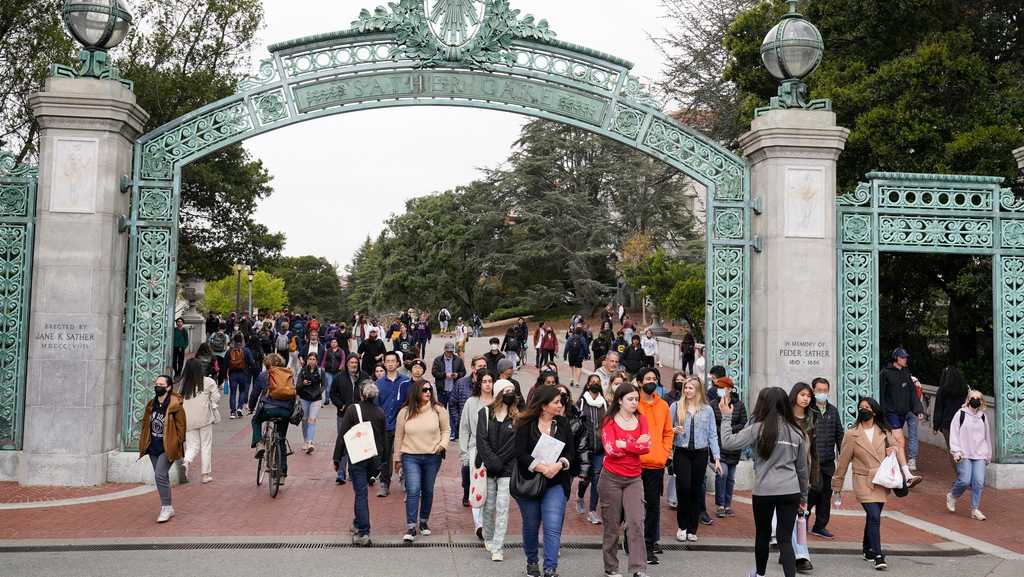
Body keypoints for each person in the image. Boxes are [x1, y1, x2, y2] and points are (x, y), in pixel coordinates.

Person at [719, 387, 807, 577]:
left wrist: (726, 417)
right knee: (785, 539)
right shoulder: (796, 432)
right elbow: (802, 470)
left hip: (764, 491)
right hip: (790, 490)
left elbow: (728, 442)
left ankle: (760, 574)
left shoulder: (757, 429)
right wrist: (803, 496)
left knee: (763, 535)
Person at [833, 397, 920, 571]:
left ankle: (867, 549)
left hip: (881, 480)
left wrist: (893, 452)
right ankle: (878, 555)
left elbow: (896, 449)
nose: (863, 409)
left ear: (874, 411)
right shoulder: (852, 434)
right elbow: (843, 461)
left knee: (873, 516)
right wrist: (837, 487)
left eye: (867, 407)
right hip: (863, 480)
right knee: (874, 516)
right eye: (860, 407)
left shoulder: (884, 432)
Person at [513, 385, 575, 577]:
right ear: (543, 405)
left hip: (556, 482)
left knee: (553, 526)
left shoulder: (563, 424)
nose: (560, 405)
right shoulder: (525, 424)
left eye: (561, 401)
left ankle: (550, 568)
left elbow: (571, 453)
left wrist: (558, 466)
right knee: (531, 526)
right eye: (556, 402)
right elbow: (520, 453)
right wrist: (541, 467)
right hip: (530, 482)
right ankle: (532, 562)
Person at [599, 382, 653, 577]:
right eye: (630, 399)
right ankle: (611, 568)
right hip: (611, 477)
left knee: (636, 522)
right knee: (612, 525)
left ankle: (638, 568)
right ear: (620, 400)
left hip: (634, 478)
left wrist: (625, 443)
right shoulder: (609, 421)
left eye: (636, 399)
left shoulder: (642, 419)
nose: (634, 402)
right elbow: (611, 449)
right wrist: (634, 444)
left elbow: (647, 447)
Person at [393, 379, 450, 542]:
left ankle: (424, 521)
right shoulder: (405, 412)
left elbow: (446, 430)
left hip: (433, 456)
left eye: (430, 390)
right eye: (424, 390)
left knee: (428, 489)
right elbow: (398, 437)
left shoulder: (438, 410)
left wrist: (442, 445)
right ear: (417, 391)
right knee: (413, 489)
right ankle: (411, 526)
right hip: (410, 455)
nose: (427, 393)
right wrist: (396, 458)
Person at [670, 376, 721, 543]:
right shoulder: (676, 406)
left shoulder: (707, 410)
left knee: (696, 490)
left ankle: (692, 528)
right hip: (682, 452)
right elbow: (666, 430)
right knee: (683, 489)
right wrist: (673, 430)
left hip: (701, 453)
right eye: (686, 387)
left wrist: (717, 458)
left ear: (698, 390)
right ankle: (682, 526)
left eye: (691, 388)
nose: (687, 391)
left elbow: (713, 434)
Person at [337, 382, 385, 545]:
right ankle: (358, 523)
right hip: (374, 458)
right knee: (362, 492)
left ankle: (363, 531)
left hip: (357, 456)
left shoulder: (352, 409)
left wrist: (337, 458)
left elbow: (342, 434)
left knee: (361, 494)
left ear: (362, 394)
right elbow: (384, 439)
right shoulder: (379, 412)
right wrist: (383, 461)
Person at [478, 379, 519, 562]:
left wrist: (500, 462)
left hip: (507, 469)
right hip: (489, 467)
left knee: (503, 507)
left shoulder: (517, 417)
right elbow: (481, 440)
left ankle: (498, 546)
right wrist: (492, 461)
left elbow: (514, 444)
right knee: (489, 506)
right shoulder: (485, 413)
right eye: (507, 390)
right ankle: (488, 535)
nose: (510, 393)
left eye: (513, 390)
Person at [634, 367, 672, 563]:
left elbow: (668, 432)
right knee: (633, 507)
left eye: (654, 378)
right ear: (639, 382)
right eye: (647, 378)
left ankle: (648, 545)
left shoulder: (664, 405)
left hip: (656, 465)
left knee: (653, 507)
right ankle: (631, 540)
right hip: (634, 464)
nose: (652, 381)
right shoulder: (633, 404)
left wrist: (664, 453)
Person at [138, 374, 185, 523]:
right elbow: (146, 423)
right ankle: (168, 507)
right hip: (153, 446)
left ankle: (166, 507)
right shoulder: (152, 404)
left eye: (161, 384)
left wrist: (176, 443)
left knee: (159, 475)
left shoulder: (175, 405)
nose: (157, 386)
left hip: (167, 446)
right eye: (156, 383)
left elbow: (181, 428)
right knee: (162, 477)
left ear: (169, 387)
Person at [250, 353, 297, 483]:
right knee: (281, 439)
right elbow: (293, 393)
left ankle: (259, 444)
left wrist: (250, 406)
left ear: (267, 364)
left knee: (255, 420)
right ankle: (282, 474)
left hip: (268, 409)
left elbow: (254, 394)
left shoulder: (263, 375)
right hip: (285, 411)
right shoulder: (288, 374)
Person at [946, 389, 992, 521]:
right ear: (968, 400)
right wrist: (956, 451)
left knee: (978, 481)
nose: (975, 400)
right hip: (964, 453)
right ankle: (952, 496)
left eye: (978, 398)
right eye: (973, 398)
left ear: (981, 401)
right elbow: (954, 433)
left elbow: (986, 436)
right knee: (965, 480)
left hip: (980, 454)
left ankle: (975, 509)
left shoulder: (983, 416)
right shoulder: (960, 414)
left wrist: (988, 454)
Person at [788, 382, 819, 572]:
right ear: (795, 395)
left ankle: (793, 551)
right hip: (785, 471)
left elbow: (814, 450)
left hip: (803, 472)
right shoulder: (785, 417)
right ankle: (800, 555)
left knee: (800, 514)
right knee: (790, 514)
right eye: (802, 394)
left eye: (808, 395)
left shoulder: (812, 419)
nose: (805, 398)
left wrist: (814, 474)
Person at [807, 377, 843, 539]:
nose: (822, 393)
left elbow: (839, 434)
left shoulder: (833, 411)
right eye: (819, 390)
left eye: (825, 390)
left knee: (826, 494)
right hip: (811, 461)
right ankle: (803, 517)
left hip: (828, 460)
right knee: (814, 491)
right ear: (813, 391)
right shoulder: (808, 410)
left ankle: (820, 525)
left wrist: (843, 455)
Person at [461, 369, 495, 535]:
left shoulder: (498, 402)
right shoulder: (471, 402)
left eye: (490, 381)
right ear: (479, 383)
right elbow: (464, 429)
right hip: (476, 450)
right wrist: (464, 453)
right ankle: (479, 525)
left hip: (496, 451)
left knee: (492, 488)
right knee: (477, 487)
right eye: (485, 381)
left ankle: (488, 522)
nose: (488, 384)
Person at [879, 348, 924, 470]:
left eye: (905, 357)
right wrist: (882, 411)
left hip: (903, 412)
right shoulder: (885, 373)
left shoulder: (906, 373)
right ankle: (903, 469)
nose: (905, 359)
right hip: (891, 412)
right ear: (896, 358)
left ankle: (890, 464)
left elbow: (912, 393)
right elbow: (881, 393)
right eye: (903, 357)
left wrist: (918, 409)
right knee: (900, 440)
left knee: (894, 441)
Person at [709, 376, 747, 518]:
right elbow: (712, 424)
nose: (720, 391)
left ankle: (728, 504)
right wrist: (723, 429)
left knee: (730, 477)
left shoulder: (739, 405)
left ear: (730, 389)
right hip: (719, 445)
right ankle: (720, 504)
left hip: (734, 445)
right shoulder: (713, 404)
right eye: (718, 388)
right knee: (722, 473)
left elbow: (744, 422)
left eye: (723, 388)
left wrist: (729, 428)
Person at [375, 351, 411, 497]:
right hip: (385, 426)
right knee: (385, 456)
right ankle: (384, 483)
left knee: (404, 454)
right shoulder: (378, 384)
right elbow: (376, 407)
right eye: (387, 361)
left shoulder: (405, 382)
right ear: (384, 363)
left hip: (401, 426)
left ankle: (404, 479)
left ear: (398, 363)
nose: (390, 363)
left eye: (393, 361)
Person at [178, 358, 219, 484]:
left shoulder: (184, 384)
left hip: (188, 419)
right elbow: (216, 397)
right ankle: (205, 475)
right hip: (204, 418)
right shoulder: (208, 382)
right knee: (206, 445)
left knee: (192, 445)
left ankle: (186, 462)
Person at [330, 354, 369, 485]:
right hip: (343, 415)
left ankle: (354, 472)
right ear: (346, 364)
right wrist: (340, 405)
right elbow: (332, 394)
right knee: (343, 442)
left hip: (360, 415)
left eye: (356, 363)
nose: (353, 365)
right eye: (351, 362)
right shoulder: (338, 377)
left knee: (358, 443)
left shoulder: (364, 377)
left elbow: (369, 393)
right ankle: (341, 472)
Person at [576, 373, 607, 525]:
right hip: (585, 448)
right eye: (592, 382)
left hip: (600, 448)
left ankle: (592, 511)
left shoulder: (605, 404)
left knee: (597, 478)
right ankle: (580, 496)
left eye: (598, 382)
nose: (595, 384)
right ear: (588, 385)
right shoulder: (581, 402)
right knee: (586, 479)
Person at [933, 366, 970, 469]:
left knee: (953, 449)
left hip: (947, 423)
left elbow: (939, 409)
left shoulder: (943, 390)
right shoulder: (965, 389)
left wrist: (935, 426)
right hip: (963, 422)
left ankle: (960, 473)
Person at [451, 356, 487, 443]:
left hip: (485, 428)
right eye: (480, 366)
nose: (483, 368)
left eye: (485, 366)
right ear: (473, 368)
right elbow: (453, 404)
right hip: (466, 428)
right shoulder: (461, 383)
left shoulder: (490, 383)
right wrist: (458, 420)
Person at [297, 352, 325, 454]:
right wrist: (303, 384)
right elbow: (297, 386)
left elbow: (324, 385)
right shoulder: (303, 371)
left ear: (317, 361)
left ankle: (310, 442)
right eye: (310, 359)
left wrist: (319, 392)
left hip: (316, 399)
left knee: (312, 419)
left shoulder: (321, 371)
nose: (312, 361)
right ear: (307, 360)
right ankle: (305, 440)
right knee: (304, 420)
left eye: (314, 359)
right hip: (304, 397)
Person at [226, 333, 255, 419]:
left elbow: (225, 364)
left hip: (232, 374)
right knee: (242, 391)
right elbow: (251, 363)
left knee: (233, 393)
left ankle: (232, 412)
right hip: (243, 374)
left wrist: (224, 376)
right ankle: (239, 408)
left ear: (234, 341)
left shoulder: (230, 351)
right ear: (242, 341)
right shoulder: (246, 350)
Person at [432, 341, 467, 411]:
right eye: (448, 352)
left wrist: (458, 375)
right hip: (442, 391)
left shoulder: (458, 360)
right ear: (444, 350)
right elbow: (434, 372)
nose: (449, 353)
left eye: (451, 352)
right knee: (442, 411)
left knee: (454, 411)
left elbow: (463, 372)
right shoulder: (438, 360)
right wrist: (444, 375)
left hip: (454, 391)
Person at [323, 338, 346, 407]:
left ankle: (334, 400)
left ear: (337, 343)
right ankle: (327, 399)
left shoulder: (341, 351)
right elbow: (324, 359)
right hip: (328, 371)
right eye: (332, 342)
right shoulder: (327, 351)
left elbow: (343, 359)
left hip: (337, 372)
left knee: (336, 386)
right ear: (330, 343)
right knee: (328, 386)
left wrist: (341, 366)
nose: (333, 343)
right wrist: (322, 366)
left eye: (335, 342)